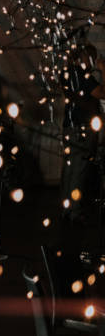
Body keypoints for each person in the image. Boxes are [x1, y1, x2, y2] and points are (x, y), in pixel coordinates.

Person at [61, 44, 105, 224]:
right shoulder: (82, 75)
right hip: (81, 130)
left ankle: (66, 209)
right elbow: (102, 93)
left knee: (69, 171)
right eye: (91, 57)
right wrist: (103, 70)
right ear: (84, 57)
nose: (93, 61)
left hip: (69, 128)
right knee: (78, 171)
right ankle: (74, 212)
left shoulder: (67, 74)